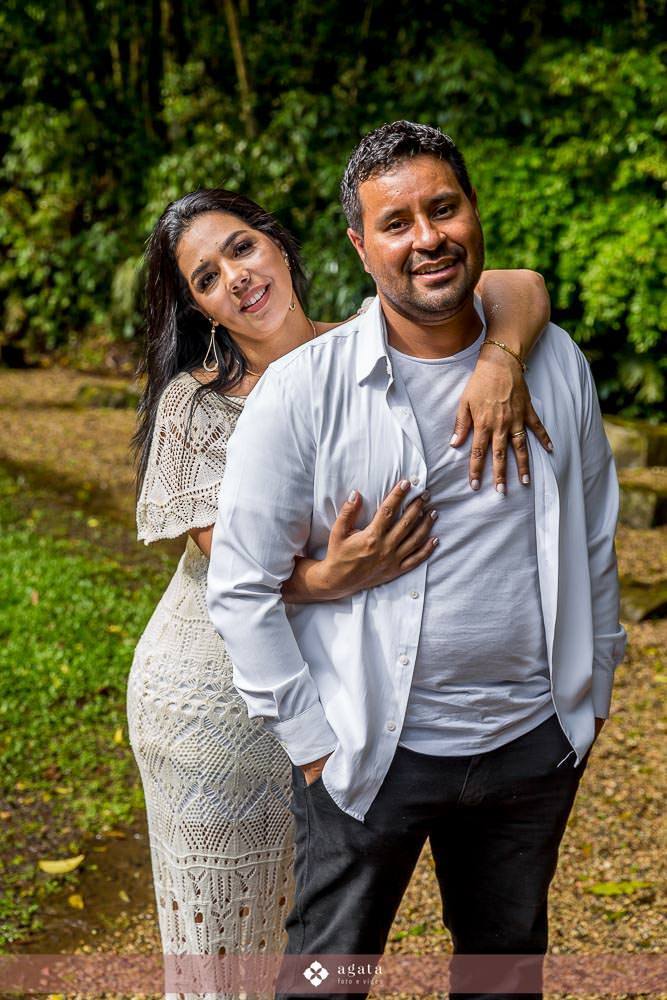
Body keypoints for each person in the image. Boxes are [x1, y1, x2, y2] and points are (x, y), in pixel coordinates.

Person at [207, 122, 627, 1000]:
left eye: (443, 209)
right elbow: (240, 587)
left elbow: (593, 534)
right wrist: (313, 746)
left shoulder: (553, 363)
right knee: (325, 981)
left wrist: (587, 697)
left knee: (501, 975)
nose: (427, 237)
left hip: (529, 745)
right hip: (369, 749)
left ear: (474, 212)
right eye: (395, 223)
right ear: (360, 247)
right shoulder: (303, 391)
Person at [127, 186, 551, 998]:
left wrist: (500, 358)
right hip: (213, 699)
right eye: (206, 278)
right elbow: (241, 572)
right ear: (200, 309)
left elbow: (518, 285)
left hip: (336, 689)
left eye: (242, 248)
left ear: (279, 246)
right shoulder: (198, 406)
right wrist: (337, 574)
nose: (235, 277)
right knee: (222, 955)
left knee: (308, 939)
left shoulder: (369, 341)